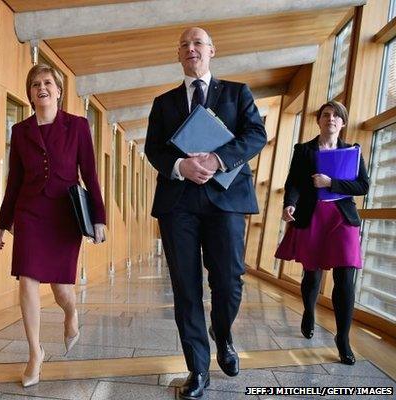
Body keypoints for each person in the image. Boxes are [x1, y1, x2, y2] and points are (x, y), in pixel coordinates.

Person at [145, 27, 266, 399]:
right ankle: (198, 370)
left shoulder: (236, 93)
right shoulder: (163, 103)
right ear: (178, 56)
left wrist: (217, 159)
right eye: (184, 45)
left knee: (229, 281)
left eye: (197, 43)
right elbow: (154, 150)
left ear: (212, 51)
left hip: (225, 199)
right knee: (186, 288)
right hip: (178, 203)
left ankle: (223, 332)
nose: (191, 48)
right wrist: (181, 166)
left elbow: (256, 135)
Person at [0, 64, 106, 387]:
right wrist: (2, 225)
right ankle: (34, 353)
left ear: (58, 90)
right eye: (35, 84)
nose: (41, 88)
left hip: (64, 215)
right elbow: (13, 182)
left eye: (47, 83)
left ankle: (71, 314)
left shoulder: (79, 126)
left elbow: (91, 175)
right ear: (30, 93)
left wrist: (99, 218)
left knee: (61, 289)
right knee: (27, 280)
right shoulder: (20, 130)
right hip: (30, 213)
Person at [275, 100, 369, 366]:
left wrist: (332, 183)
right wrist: (289, 203)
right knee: (313, 274)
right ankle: (308, 311)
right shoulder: (304, 150)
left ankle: (343, 338)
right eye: (326, 115)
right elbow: (293, 181)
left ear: (343, 122)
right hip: (312, 215)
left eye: (337, 116)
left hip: (342, 218)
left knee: (345, 275)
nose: (331, 119)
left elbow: (363, 185)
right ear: (319, 120)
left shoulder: (352, 151)